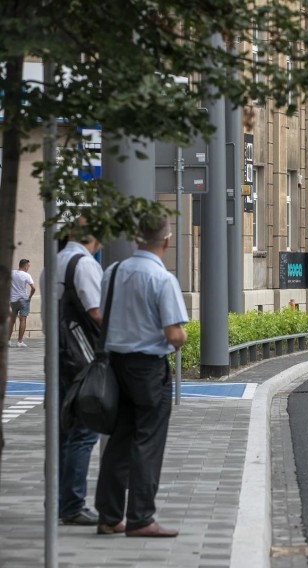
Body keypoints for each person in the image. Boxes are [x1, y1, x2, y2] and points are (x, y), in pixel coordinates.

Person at [94, 213, 188, 538]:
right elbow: (173, 334)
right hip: (147, 369)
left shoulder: (113, 272)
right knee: (147, 441)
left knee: (117, 441)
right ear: (166, 240)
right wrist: (182, 339)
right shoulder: (162, 280)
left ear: (137, 238)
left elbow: (102, 316)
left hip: (114, 364)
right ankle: (141, 517)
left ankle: (108, 516)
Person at [46, 223, 104, 526]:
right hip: (81, 359)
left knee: (60, 430)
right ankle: (72, 504)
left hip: (56, 354)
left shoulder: (50, 264)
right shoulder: (83, 264)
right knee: (83, 431)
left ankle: (57, 500)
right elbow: (96, 312)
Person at [9, 258, 36, 347]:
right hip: (23, 300)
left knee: (12, 320)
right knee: (22, 320)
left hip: (13, 300)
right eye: (28, 266)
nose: (28, 268)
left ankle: (8, 341)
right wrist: (30, 297)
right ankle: (19, 342)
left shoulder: (12, 273)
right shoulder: (27, 275)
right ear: (25, 266)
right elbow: (33, 288)